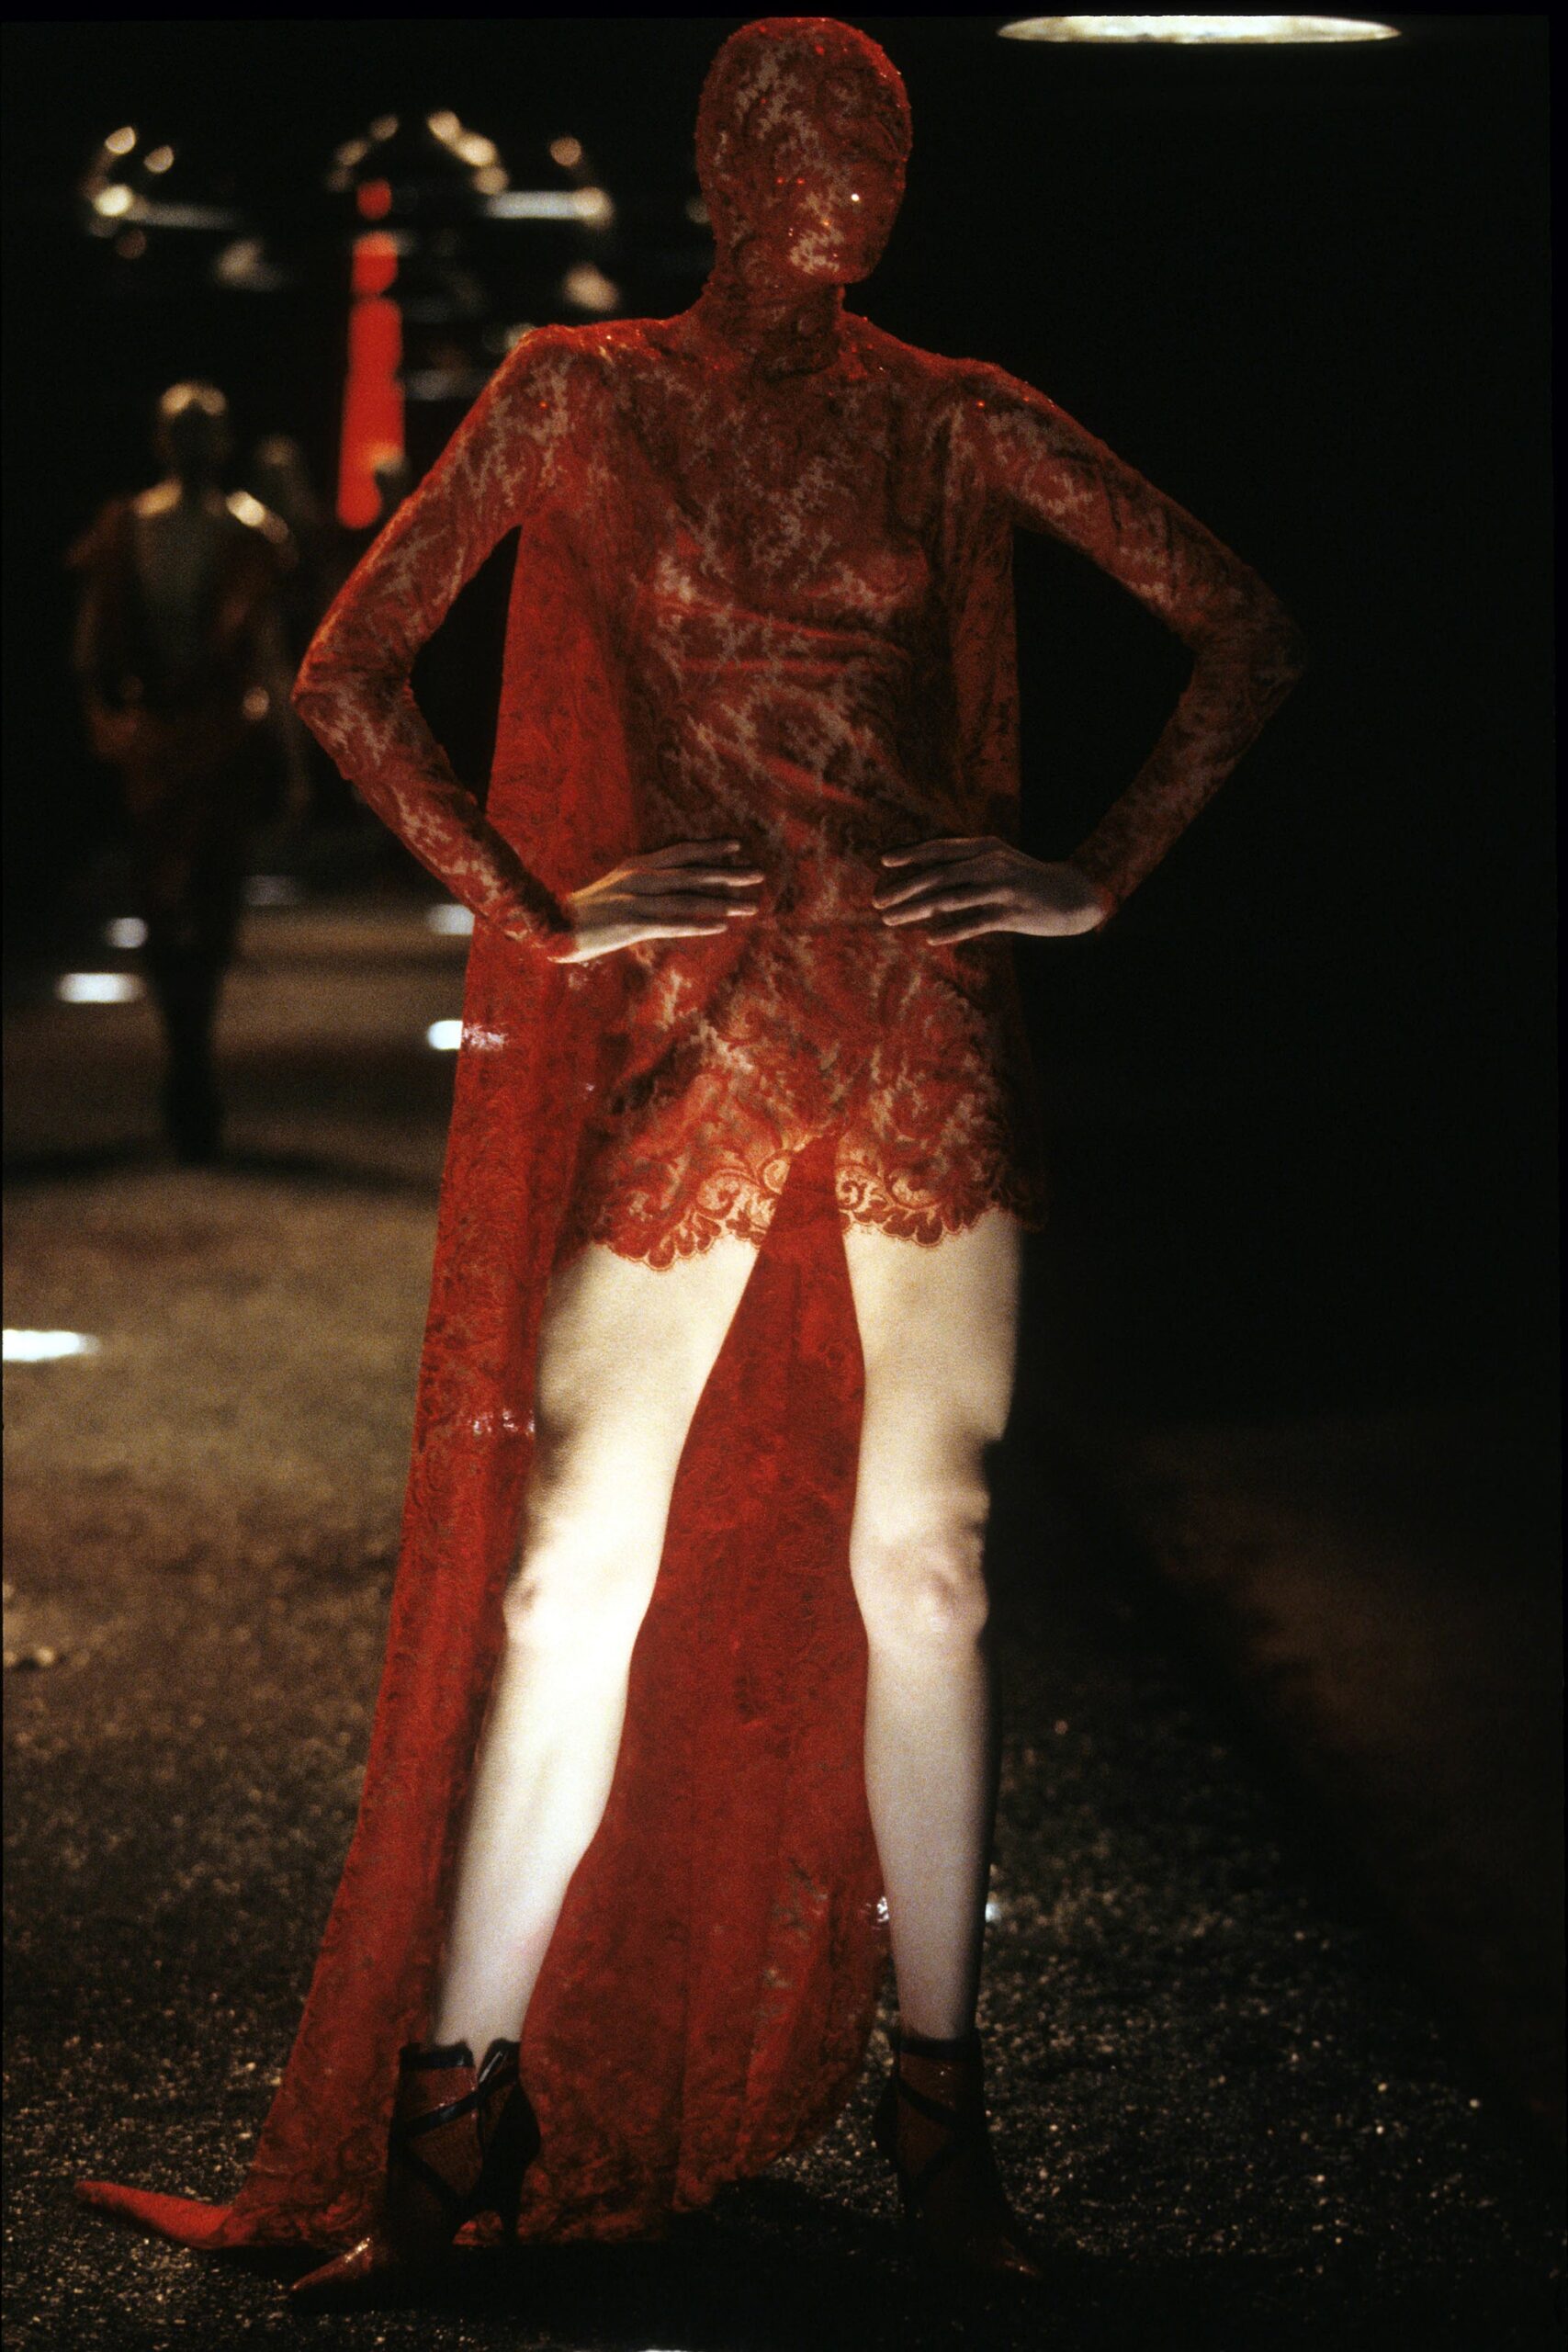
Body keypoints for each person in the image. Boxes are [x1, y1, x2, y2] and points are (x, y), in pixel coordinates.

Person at [78, 16, 1304, 2303]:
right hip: (698, 1026)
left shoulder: (950, 408)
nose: (843, 186)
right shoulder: (575, 389)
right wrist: (537, 904)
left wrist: (1087, 872)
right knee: (571, 1572)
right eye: (801, 144)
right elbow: (352, 674)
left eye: (876, 149)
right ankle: (453, 2113)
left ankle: (946, 2117)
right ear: (720, 169)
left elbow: (1239, 623)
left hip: (919, 1026)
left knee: (922, 1562)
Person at [70, 382, 311, 1161]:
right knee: (159, 895)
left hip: (220, 736)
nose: (196, 446)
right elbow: (95, 644)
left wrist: (287, 751)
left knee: (210, 894)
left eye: (206, 431)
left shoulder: (248, 534)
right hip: (154, 737)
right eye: (184, 431)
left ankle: (193, 1050)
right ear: (162, 440)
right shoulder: (129, 527)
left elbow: (267, 654)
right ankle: (185, 1049)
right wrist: (106, 722)